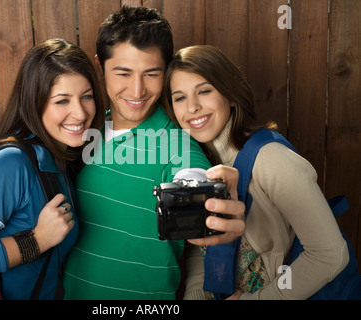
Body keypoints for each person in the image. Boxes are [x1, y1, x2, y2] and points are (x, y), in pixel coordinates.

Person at [63, 6, 245, 300]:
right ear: (100, 66)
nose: (137, 91)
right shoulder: (83, 130)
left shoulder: (174, 142)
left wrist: (211, 204)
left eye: (151, 74)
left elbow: (192, 175)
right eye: (123, 73)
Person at [163, 44, 350, 299]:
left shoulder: (270, 158)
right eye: (179, 97)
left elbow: (330, 254)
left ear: (230, 94)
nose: (192, 107)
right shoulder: (197, 164)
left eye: (204, 91)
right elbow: (203, 245)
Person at [0, 39, 106, 300]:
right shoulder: (10, 164)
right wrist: (36, 240)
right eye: (62, 101)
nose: (80, 113)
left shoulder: (58, 156)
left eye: (86, 96)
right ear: (34, 103)